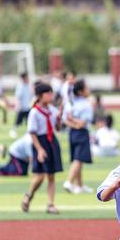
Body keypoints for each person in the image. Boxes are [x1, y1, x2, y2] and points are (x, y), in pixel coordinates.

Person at [21, 83, 63, 215]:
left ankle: (50, 204)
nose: (50, 96)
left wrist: (59, 120)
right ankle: (29, 195)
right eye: (48, 93)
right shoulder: (34, 112)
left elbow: (58, 128)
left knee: (51, 175)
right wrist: (39, 149)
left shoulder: (52, 110)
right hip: (40, 142)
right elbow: (32, 133)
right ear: (40, 96)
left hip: (52, 142)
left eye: (51, 93)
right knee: (40, 176)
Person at [63, 79, 94, 194]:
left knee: (77, 159)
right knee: (79, 159)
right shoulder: (86, 104)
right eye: (86, 88)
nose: (88, 90)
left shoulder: (70, 103)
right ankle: (69, 182)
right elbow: (83, 123)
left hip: (72, 132)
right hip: (81, 132)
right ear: (81, 91)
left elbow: (65, 120)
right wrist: (76, 123)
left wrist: (72, 121)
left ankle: (79, 185)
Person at [10, 72, 33, 138]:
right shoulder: (20, 86)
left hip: (28, 106)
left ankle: (29, 133)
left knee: (29, 121)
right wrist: (18, 106)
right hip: (22, 107)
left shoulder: (29, 85)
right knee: (18, 120)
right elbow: (18, 97)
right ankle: (13, 131)